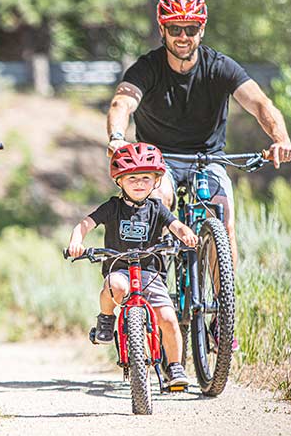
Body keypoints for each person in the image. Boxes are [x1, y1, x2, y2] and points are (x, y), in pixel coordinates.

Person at [106, 0, 291, 269]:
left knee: (224, 215)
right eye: (174, 28)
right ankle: (151, 287)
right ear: (163, 29)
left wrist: (281, 139)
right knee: (157, 200)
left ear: (201, 29)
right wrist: (117, 138)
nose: (183, 36)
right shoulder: (146, 68)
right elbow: (121, 103)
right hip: (158, 158)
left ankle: (224, 309)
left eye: (191, 28)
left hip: (209, 158)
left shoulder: (219, 67)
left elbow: (260, 103)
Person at [68, 143, 198, 388]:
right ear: (120, 180)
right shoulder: (112, 207)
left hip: (150, 273)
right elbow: (85, 224)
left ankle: (176, 367)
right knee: (114, 284)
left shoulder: (157, 208)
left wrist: (186, 234)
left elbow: (176, 226)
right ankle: (106, 319)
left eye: (146, 178)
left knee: (168, 319)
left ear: (156, 180)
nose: (139, 183)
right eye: (132, 178)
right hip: (120, 268)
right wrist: (77, 241)